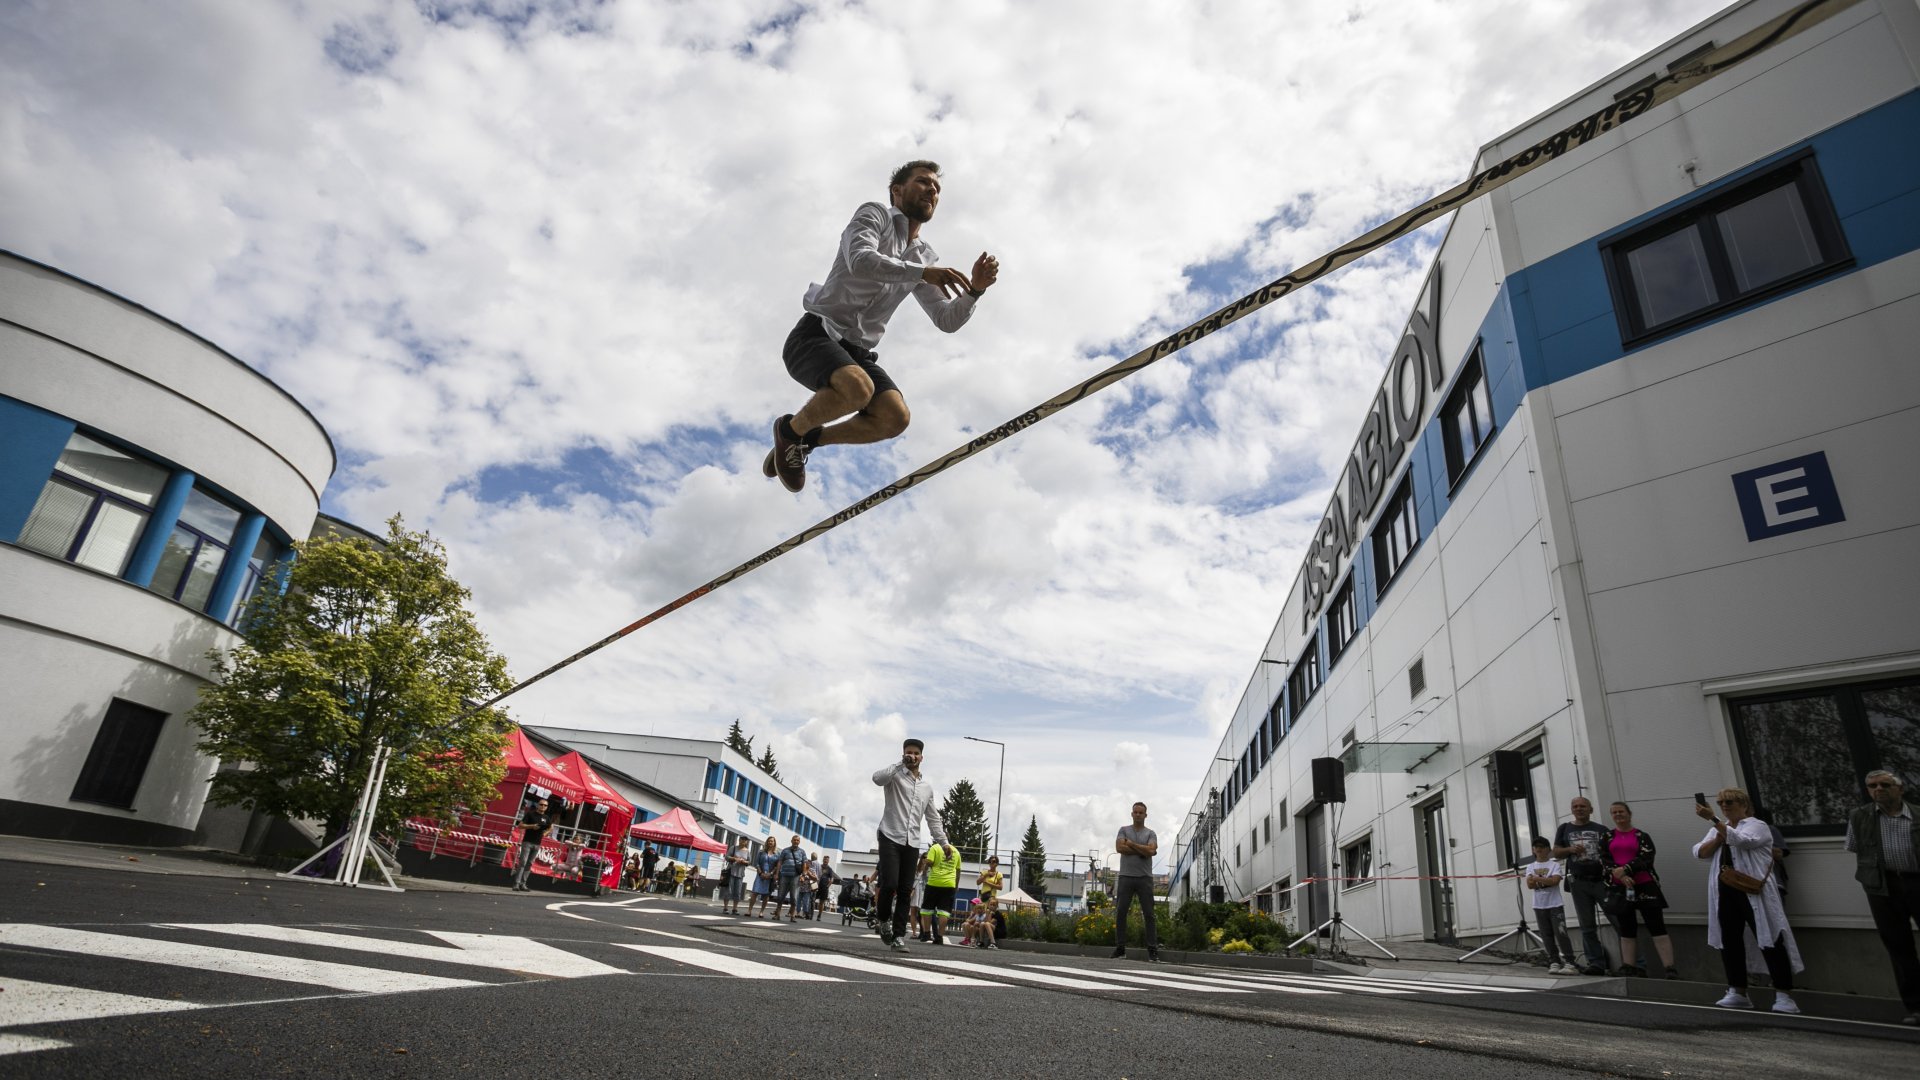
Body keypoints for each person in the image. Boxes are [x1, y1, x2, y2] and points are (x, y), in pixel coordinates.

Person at [763, 161, 1000, 493]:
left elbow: (946, 320)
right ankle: (790, 432)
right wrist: (920, 273)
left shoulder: (923, 255)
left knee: (894, 418)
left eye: (937, 188)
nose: (933, 190)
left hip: (858, 353)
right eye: (923, 182)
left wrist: (975, 290)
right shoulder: (874, 215)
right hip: (816, 334)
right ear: (897, 191)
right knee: (858, 389)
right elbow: (860, 259)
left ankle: (809, 438)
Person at [1693, 787, 1802, 1012]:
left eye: (1730, 802)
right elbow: (1700, 852)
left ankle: (1783, 993)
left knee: (1770, 936)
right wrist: (1718, 833)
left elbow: (1743, 841)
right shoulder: (1720, 828)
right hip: (1724, 890)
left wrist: (1714, 821)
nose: (1724, 806)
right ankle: (1737, 989)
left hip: (1754, 891)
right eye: (1721, 802)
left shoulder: (1757, 825)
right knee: (1729, 940)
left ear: (1743, 805)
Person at [1847, 768, 1920, 1025]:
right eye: (1872, 786)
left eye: (1884, 785)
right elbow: (1856, 848)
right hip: (1882, 886)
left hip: (1916, 880)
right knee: (1899, 947)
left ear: (1899, 788)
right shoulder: (1860, 817)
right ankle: (1915, 1007)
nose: (1878, 790)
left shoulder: (1916, 814)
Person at [872, 738, 955, 951]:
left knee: (905, 890)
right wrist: (900, 764)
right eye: (909, 752)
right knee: (889, 884)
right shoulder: (894, 776)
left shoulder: (926, 788)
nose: (912, 756)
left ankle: (898, 936)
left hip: (912, 843)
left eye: (916, 753)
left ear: (922, 757)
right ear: (903, 753)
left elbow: (933, 818)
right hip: (890, 835)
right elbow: (876, 778)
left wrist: (944, 843)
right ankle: (883, 920)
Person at [1601, 801, 1679, 979]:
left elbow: (1647, 857)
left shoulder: (1641, 836)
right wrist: (1620, 875)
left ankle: (1669, 967)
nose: (1618, 815)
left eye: (1621, 811)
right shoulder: (1607, 837)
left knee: (1656, 925)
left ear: (1629, 813)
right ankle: (1628, 966)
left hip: (1644, 884)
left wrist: (1627, 869)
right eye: (1614, 813)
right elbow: (1604, 859)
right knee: (1626, 927)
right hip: (1620, 887)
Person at [1551, 796, 1613, 975]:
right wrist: (1569, 850)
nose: (1579, 809)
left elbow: (1612, 853)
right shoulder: (1564, 828)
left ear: (1590, 809)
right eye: (1575, 806)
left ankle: (1632, 963)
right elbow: (1556, 852)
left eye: (1583, 806)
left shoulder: (1601, 830)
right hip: (1579, 882)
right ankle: (1596, 963)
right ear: (1572, 809)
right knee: (1587, 925)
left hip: (1602, 881)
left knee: (1617, 920)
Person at [1111, 801, 1162, 963]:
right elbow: (1119, 848)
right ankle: (1120, 949)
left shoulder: (1151, 833)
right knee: (1120, 913)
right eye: (1136, 812)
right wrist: (1143, 850)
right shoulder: (1123, 830)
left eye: (1141, 812)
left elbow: (1152, 851)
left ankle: (1152, 950)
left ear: (1146, 815)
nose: (1138, 815)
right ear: (1132, 814)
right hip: (1125, 877)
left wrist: (1131, 844)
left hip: (1145, 878)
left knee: (1149, 914)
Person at [1524, 836, 1579, 975]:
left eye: (1542, 846)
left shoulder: (1554, 865)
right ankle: (1554, 961)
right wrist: (1543, 880)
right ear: (1533, 849)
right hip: (1539, 905)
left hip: (1555, 904)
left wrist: (1537, 879)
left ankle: (1570, 962)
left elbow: (1555, 881)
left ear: (1548, 849)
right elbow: (1530, 885)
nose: (1539, 849)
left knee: (1561, 933)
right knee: (1546, 935)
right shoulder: (1530, 866)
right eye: (1536, 847)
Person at [919, 841, 961, 945]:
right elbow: (958, 871)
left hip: (934, 882)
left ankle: (927, 933)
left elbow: (929, 862)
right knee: (944, 911)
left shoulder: (935, 848)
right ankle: (939, 937)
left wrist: (925, 865)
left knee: (927, 909)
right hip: (949, 884)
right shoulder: (956, 851)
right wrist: (956, 885)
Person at [511, 798, 552, 892]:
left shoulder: (546, 817)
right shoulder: (530, 814)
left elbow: (551, 827)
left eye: (545, 805)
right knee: (523, 862)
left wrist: (545, 833)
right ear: (538, 805)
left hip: (537, 844)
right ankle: (516, 884)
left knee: (529, 863)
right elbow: (520, 825)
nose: (543, 806)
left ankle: (523, 884)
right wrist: (532, 826)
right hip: (527, 842)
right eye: (541, 804)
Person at [774, 834, 808, 921]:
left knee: (794, 897)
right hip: (784, 875)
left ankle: (792, 916)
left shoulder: (802, 852)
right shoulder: (785, 850)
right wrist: (777, 874)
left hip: (795, 877)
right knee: (781, 896)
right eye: (794, 840)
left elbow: (805, 864)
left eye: (797, 840)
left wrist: (803, 875)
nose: (796, 841)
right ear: (791, 841)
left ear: (799, 842)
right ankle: (777, 914)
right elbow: (780, 862)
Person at [749, 836, 780, 917]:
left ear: (774, 843)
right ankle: (749, 910)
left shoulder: (777, 854)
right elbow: (757, 863)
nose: (770, 842)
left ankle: (761, 912)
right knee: (754, 892)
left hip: (769, 877)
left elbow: (777, 866)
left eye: (772, 841)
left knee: (766, 895)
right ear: (767, 842)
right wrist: (760, 873)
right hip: (760, 875)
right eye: (769, 841)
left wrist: (771, 874)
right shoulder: (761, 852)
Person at [722, 839, 752, 915]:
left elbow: (749, 862)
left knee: (737, 892)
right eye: (741, 840)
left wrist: (744, 862)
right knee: (728, 890)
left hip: (740, 873)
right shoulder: (733, 848)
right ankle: (725, 908)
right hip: (731, 872)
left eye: (744, 841)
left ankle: (735, 909)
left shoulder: (747, 851)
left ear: (746, 842)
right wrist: (734, 858)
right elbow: (726, 857)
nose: (742, 842)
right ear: (739, 840)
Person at [813, 855, 840, 920]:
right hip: (816, 886)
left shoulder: (830, 869)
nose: (825, 861)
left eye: (827, 860)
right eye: (824, 859)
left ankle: (819, 916)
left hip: (824, 887)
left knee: (821, 902)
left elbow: (832, 879)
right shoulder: (819, 867)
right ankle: (809, 913)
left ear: (828, 861)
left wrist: (827, 886)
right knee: (812, 900)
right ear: (823, 860)